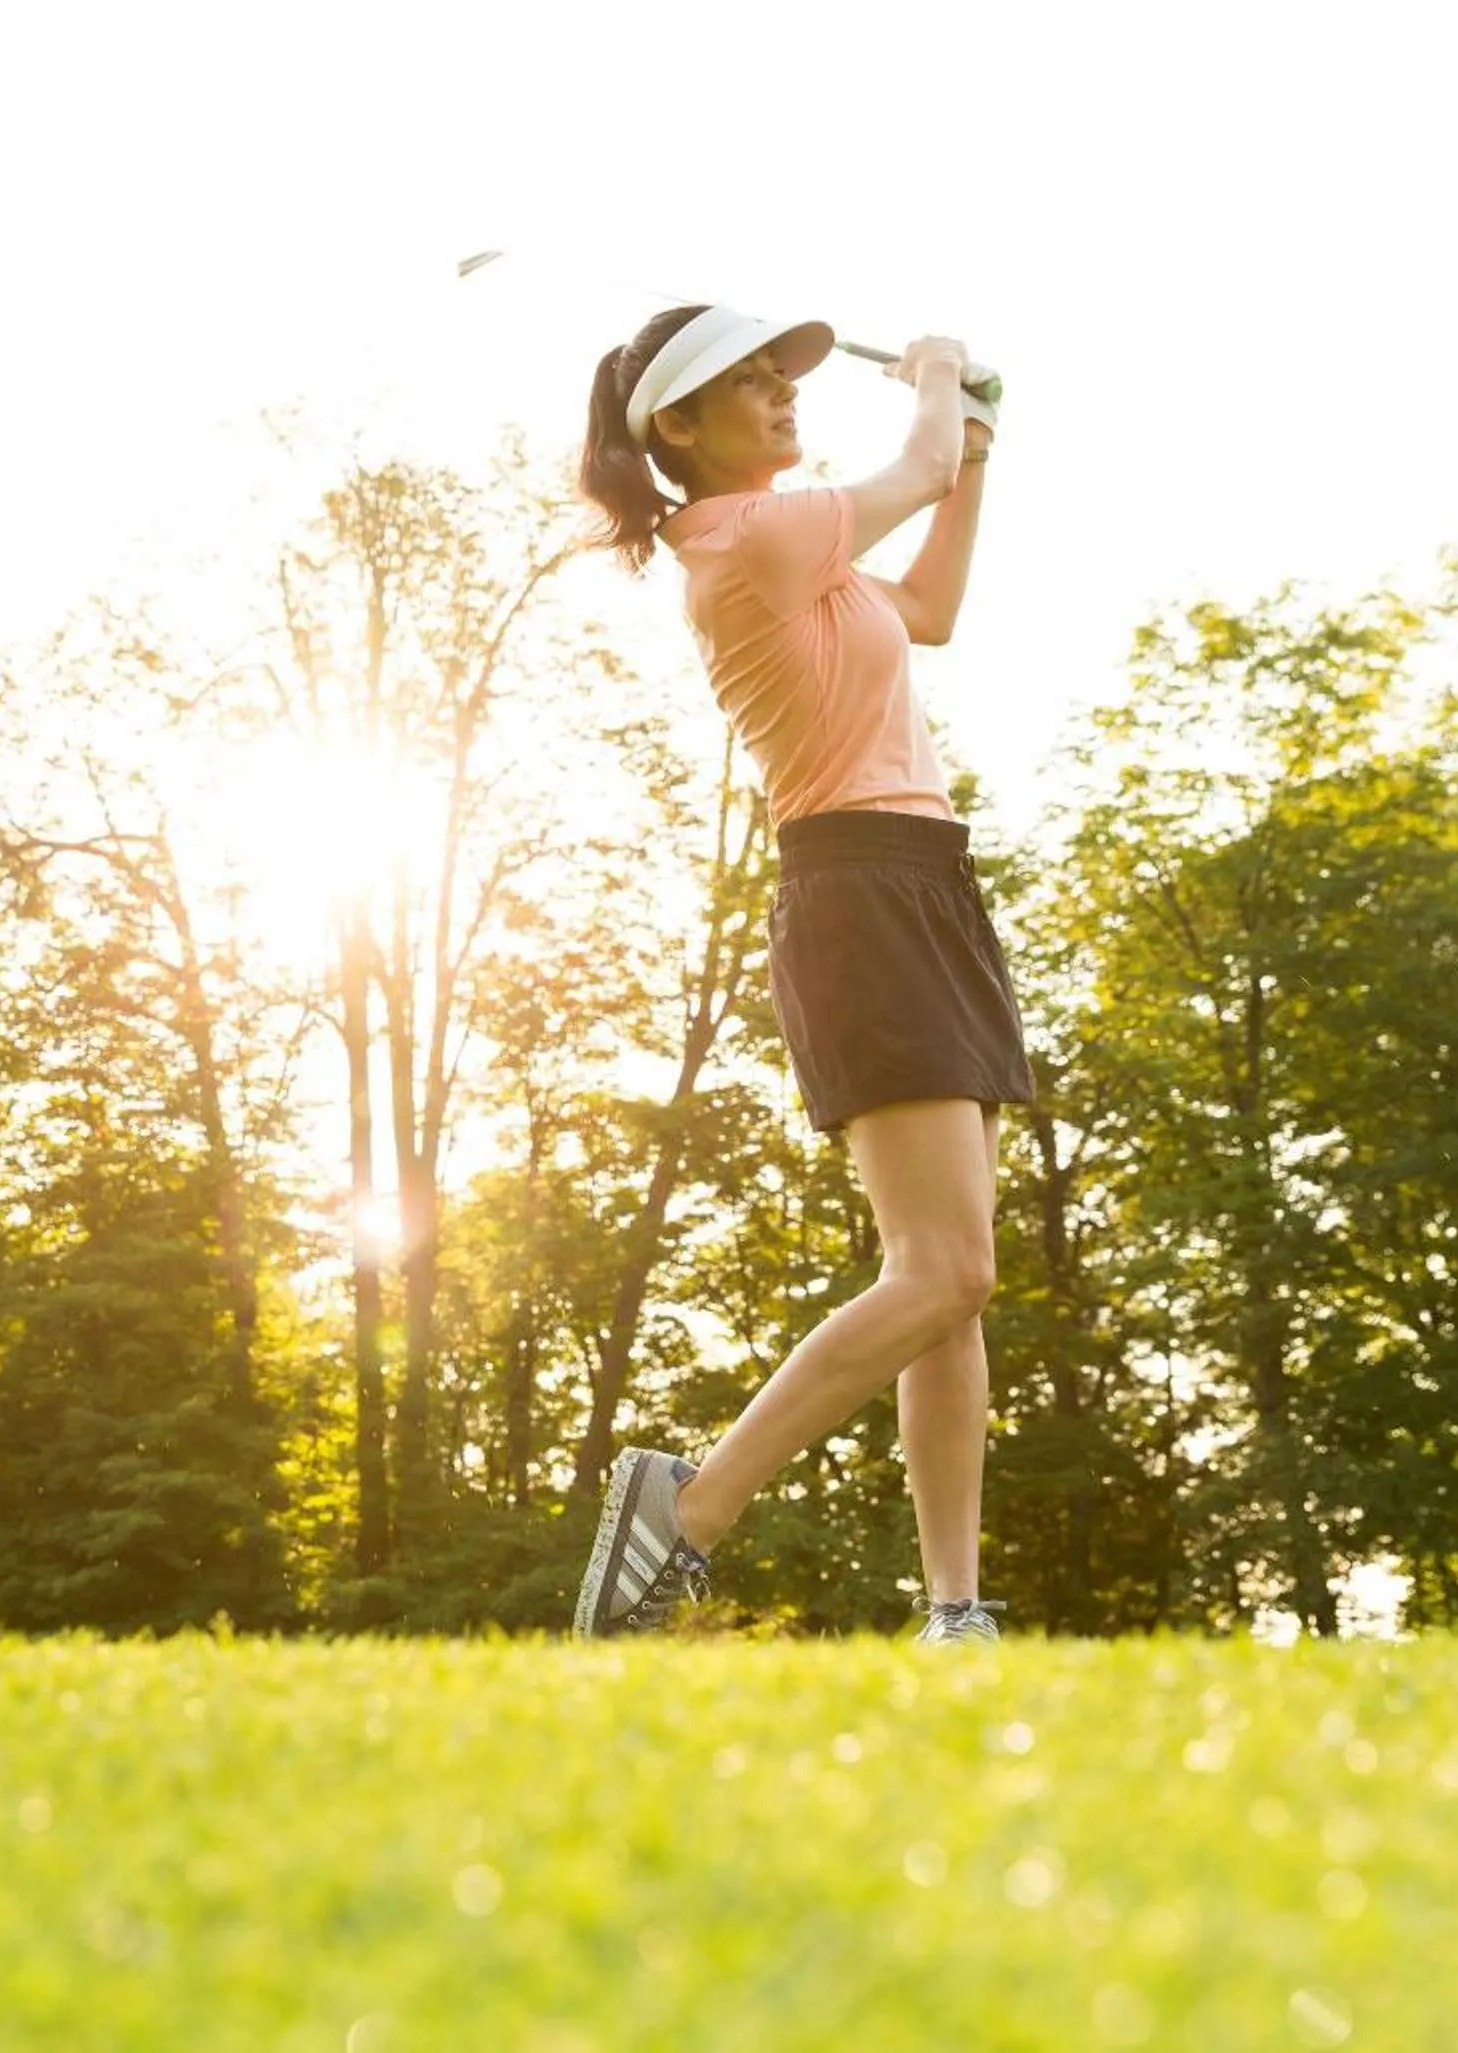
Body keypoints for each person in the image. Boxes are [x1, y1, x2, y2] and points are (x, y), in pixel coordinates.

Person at [568, 305, 1025, 1644]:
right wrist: (936, 381)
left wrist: (974, 449)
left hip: (920, 881)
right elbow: (914, 469)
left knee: (948, 1276)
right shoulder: (749, 534)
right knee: (941, 1271)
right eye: (746, 381)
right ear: (677, 428)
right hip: (859, 893)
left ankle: (952, 1608)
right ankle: (690, 1507)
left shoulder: (798, 548)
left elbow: (928, 608)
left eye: (780, 376)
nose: (778, 395)